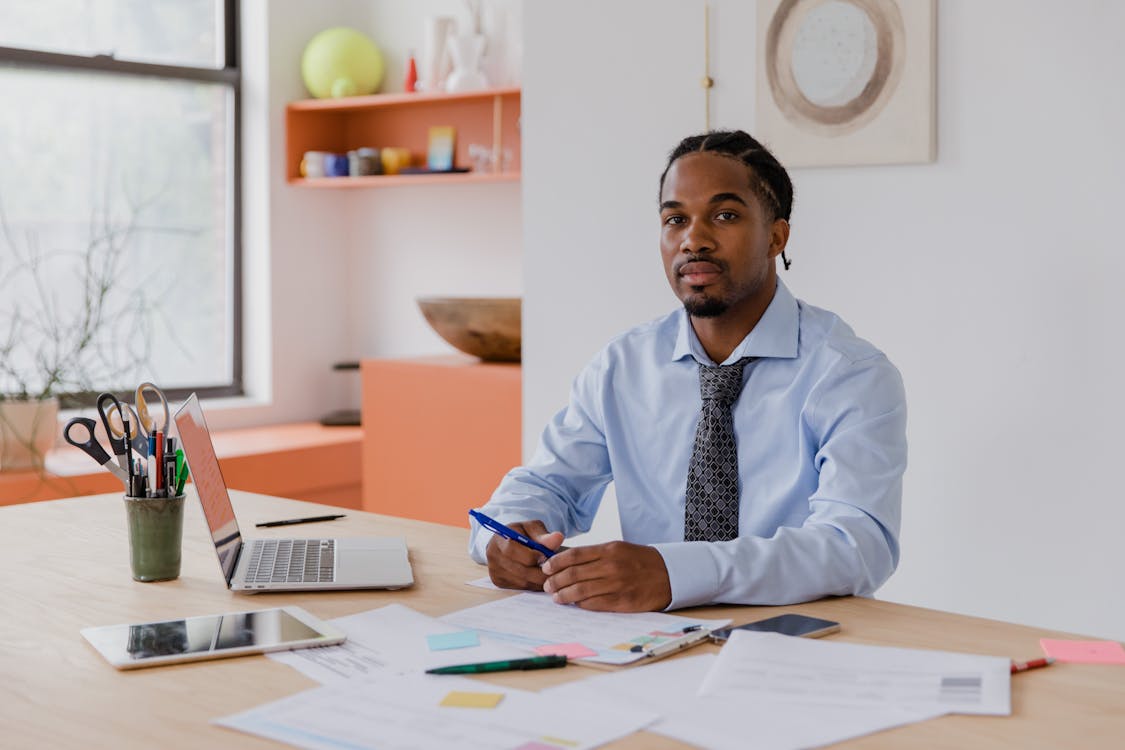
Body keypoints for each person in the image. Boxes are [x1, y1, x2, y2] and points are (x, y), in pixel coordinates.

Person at [469, 130, 906, 613]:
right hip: (642, 643)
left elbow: (857, 546)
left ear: (776, 237)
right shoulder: (621, 367)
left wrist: (676, 573)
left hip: (795, 640)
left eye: (725, 216)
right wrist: (509, 536)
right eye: (675, 219)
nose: (693, 239)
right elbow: (544, 485)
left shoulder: (851, 375)